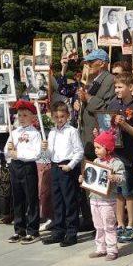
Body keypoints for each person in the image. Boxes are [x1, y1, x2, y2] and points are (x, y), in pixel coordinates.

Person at [107, 73, 133, 240]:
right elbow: (107, 126)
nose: (117, 90)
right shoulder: (113, 103)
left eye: (120, 87)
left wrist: (124, 124)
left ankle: (131, 224)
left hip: (130, 155)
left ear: (130, 88)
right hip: (116, 154)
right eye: (115, 87)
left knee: (129, 191)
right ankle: (120, 224)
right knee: (118, 192)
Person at [42, 100, 83, 246]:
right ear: (52, 117)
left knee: (69, 200)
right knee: (57, 200)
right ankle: (59, 230)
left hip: (67, 167)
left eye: (62, 116)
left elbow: (79, 151)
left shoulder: (71, 131)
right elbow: (48, 155)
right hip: (55, 167)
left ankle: (71, 232)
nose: (59, 119)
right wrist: (45, 148)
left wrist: (70, 166)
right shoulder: (52, 132)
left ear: (67, 116)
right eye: (56, 117)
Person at [6, 100, 43, 243]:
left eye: (25, 115)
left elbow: (36, 154)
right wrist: (9, 151)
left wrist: (18, 155)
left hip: (27, 167)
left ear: (33, 117)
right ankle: (19, 229)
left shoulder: (35, 134)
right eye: (19, 115)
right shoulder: (14, 132)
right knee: (18, 198)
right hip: (15, 167)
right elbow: (7, 151)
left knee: (31, 198)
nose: (21, 118)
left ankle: (33, 230)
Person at [83, 130, 123, 260]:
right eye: (95, 148)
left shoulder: (115, 163)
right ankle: (101, 248)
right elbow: (90, 176)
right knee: (98, 226)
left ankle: (112, 250)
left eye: (99, 148)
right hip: (94, 199)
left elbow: (123, 178)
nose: (96, 150)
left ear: (108, 148)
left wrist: (115, 177)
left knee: (109, 225)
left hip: (107, 200)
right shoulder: (95, 160)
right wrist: (83, 178)